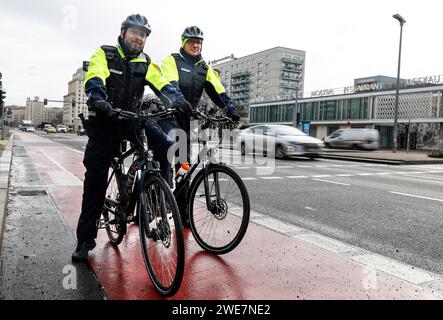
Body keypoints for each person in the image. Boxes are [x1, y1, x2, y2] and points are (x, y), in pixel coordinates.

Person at [72, 14, 191, 261]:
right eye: (135, 33)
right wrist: (98, 99)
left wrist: (179, 101)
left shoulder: (145, 62)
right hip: (106, 121)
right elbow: (94, 78)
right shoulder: (105, 54)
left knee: (166, 145)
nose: (139, 38)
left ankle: (155, 199)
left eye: (144, 35)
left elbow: (163, 83)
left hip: (133, 120)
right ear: (123, 32)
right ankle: (85, 239)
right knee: (94, 178)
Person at [159, 26, 240, 227]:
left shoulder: (204, 67)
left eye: (199, 42)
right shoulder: (173, 60)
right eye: (191, 42)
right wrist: (179, 102)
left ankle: (183, 213)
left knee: (184, 166)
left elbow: (217, 90)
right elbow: (170, 85)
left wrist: (230, 109)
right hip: (168, 116)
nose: (196, 45)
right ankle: (158, 195)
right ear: (183, 42)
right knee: (166, 157)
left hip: (186, 119)